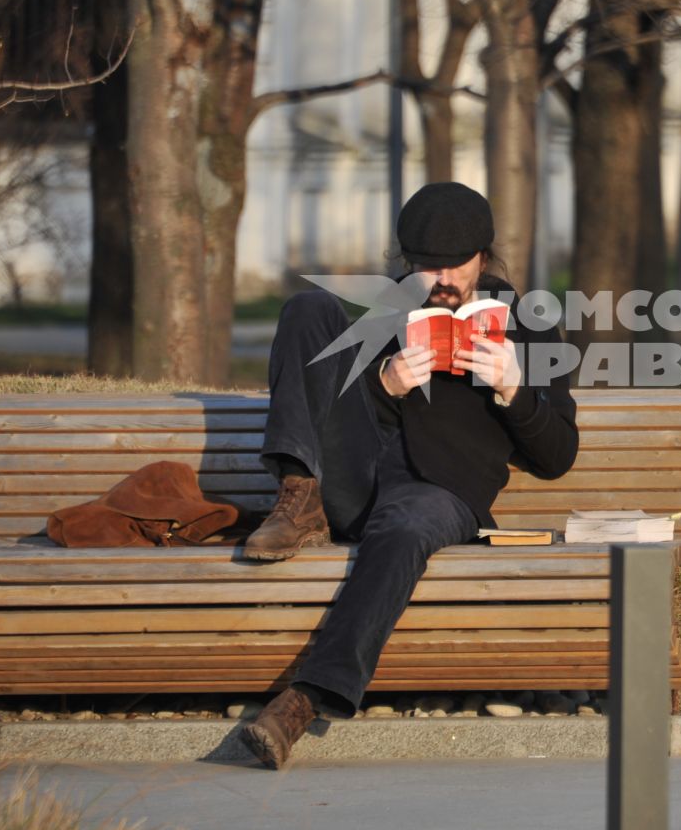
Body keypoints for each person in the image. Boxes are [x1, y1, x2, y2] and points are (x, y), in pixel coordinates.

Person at [238, 181, 578, 768]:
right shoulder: (384, 312)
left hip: (438, 494)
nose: (442, 280)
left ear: (484, 256)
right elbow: (335, 414)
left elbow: (558, 456)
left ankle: (305, 699)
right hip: (352, 481)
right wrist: (381, 385)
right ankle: (298, 496)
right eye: (426, 268)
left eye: (456, 265)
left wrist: (513, 390)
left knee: (405, 526)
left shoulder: (529, 324)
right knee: (308, 307)